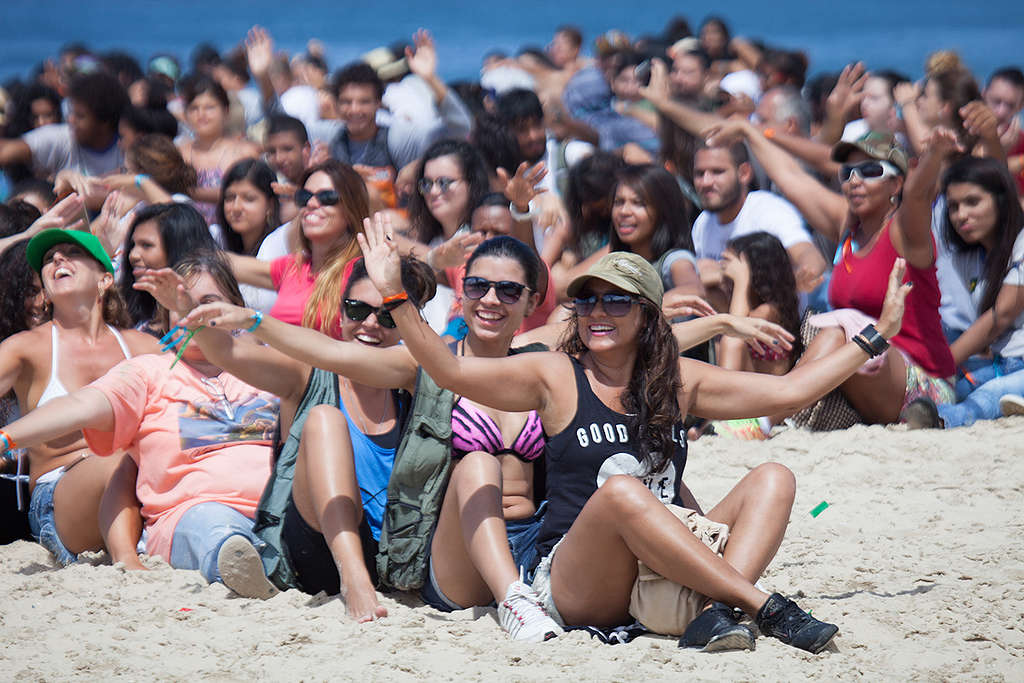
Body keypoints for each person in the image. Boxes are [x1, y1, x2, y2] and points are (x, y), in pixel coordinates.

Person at [354, 214, 914, 653]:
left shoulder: (679, 380)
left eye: (616, 300)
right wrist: (395, 297)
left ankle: (719, 614)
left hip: (667, 563)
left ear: (647, 315)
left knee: (774, 476)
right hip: (579, 577)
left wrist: (879, 335)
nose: (598, 311)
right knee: (621, 492)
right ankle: (760, 604)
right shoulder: (554, 375)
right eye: (587, 299)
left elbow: (791, 392)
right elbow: (450, 371)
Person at [184, 235, 563, 642]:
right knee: (478, 463)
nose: (490, 299)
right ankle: (512, 600)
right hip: (457, 548)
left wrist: (525, 210)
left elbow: (597, 321)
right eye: (476, 286)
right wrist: (252, 320)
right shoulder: (429, 364)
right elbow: (330, 353)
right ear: (461, 294)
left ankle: (526, 593)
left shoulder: (539, 363)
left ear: (531, 300)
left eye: (508, 290)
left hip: (533, 538)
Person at [140, 254, 435, 619]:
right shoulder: (307, 374)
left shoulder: (413, 382)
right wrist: (190, 312)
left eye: (388, 315)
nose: (370, 324)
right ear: (341, 311)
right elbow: (231, 352)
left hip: (394, 553)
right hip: (316, 553)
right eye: (357, 309)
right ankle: (354, 578)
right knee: (324, 419)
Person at [0, 254, 280, 597]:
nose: (195, 313)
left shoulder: (265, 370)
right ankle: (134, 555)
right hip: (191, 513)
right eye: (182, 304)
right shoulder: (149, 369)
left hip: (275, 508)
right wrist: (7, 438)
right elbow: (77, 406)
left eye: (207, 302)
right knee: (141, 466)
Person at [702, 118, 957, 425]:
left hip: (922, 385)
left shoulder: (905, 232)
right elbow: (791, 177)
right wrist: (748, 131)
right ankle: (761, 414)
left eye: (870, 171)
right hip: (859, 368)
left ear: (896, 183)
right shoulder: (848, 229)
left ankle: (763, 420)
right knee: (830, 331)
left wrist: (934, 155)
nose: (854, 181)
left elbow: (918, 196)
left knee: (844, 328)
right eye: (847, 173)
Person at [0, 228, 159, 565]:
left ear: (104, 280)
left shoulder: (144, 347)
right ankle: (127, 561)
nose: (57, 259)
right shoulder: (27, 348)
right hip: (62, 500)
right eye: (48, 258)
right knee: (118, 460)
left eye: (71, 252)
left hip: (146, 487)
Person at [906, 157, 1024, 428]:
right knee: (958, 386)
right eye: (953, 207)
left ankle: (942, 420)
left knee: (985, 397)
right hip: (997, 364)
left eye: (973, 202)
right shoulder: (967, 259)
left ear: (1001, 200)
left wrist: (938, 369)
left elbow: (1002, 315)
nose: (961, 215)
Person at [227, 159, 367, 338]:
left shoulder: (361, 273)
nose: (312, 204)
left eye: (327, 198)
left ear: (351, 208)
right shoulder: (295, 266)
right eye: (305, 197)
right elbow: (230, 264)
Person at [690, 142, 825, 311]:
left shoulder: (768, 210)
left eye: (718, 172)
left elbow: (808, 253)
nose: (706, 182)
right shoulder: (703, 223)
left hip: (778, 327)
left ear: (744, 173)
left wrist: (807, 272)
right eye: (699, 173)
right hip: (730, 324)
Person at [0, 72, 128, 190]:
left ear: (105, 121)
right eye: (72, 112)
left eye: (80, 116)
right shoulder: (62, 138)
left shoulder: (127, 147)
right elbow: (5, 151)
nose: (71, 120)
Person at [118, 202, 219, 334]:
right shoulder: (131, 308)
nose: (133, 255)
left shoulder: (208, 307)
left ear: (180, 248)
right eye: (132, 245)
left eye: (146, 245)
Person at [177, 76, 261, 224]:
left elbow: (251, 194)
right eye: (194, 108)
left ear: (226, 111)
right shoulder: (178, 153)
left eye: (209, 107)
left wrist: (191, 193)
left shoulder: (244, 152)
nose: (201, 114)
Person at [718, 231, 803, 376]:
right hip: (748, 386)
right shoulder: (747, 304)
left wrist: (741, 280)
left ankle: (720, 397)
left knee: (732, 342)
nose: (726, 273)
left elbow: (736, 327)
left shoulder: (769, 311)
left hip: (768, 392)